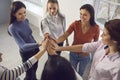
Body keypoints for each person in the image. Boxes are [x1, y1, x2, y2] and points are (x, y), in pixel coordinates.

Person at [52, 19, 120, 80]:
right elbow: (84, 47)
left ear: (115, 40)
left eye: (104, 34)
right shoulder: (102, 44)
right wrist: (59, 48)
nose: (101, 36)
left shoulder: (117, 66)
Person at [55, 4, 100, 76]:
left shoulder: (96, 28)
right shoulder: (75, 24)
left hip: (85, 56)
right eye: (81, 14)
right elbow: (64, 35)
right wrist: (55, 41)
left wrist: (90, 51)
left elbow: (95, 44)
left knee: (80, 74)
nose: (81, 16)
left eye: (85, 15)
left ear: (91, 15)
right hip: (73, 53)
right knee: (72, 72)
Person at [8, 1, 41, 80]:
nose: (23, 16)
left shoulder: (26, 21)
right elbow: (23, 46)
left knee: (35, 69)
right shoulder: (12, 28)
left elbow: (30, 35)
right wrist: (38, 44)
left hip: (35, 50)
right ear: (13, 14)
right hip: (27, 54)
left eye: (24, 12)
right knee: (30, 75)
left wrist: (37, 45)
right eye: (20, 14)